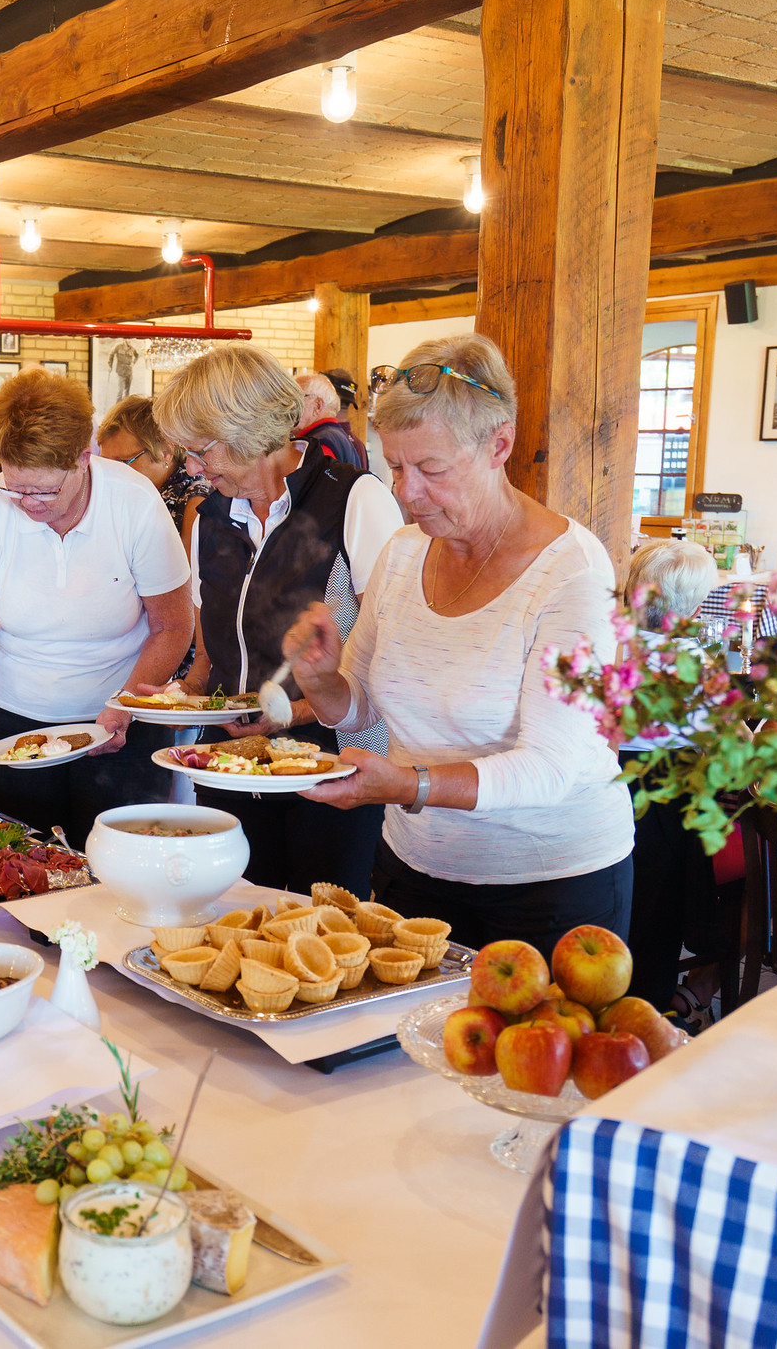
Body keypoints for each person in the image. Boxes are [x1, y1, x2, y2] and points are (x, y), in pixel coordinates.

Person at [284, 334, 635, 962]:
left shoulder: (571, 572)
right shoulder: (403, 553)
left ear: (498, 444)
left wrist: (406, 784)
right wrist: (321, 680)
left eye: (431, 470)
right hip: (413, 866)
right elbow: (360, 710)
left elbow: (551, 767)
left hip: (547, 884)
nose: (406, 492)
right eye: (395, 467)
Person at [131, 344, 403, 893]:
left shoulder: (352, 500)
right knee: (234, 916)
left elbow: (390, 653)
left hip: (330, 768)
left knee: (319, 931)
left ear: (248, 431)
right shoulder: (209, 517)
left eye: (199, 451)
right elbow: (213, 635)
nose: (191, 468)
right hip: (231, 762)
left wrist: (292, 713)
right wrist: (189, 690)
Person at [0, 368, 193, 846]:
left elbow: (172, 626)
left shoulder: (135, 503)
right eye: (15, 486)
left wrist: (124, 706)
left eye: (44, 490)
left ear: (84, 458)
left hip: (120, 715)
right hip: (13, 717)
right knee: (22, 862)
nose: (27, 503)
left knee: (112, 867)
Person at [618, 538, 724, 1009]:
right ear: (695, 607)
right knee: (657, 912)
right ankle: (655, 1005)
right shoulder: (693, 664)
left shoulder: (609, 646)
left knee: (619, 903)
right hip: (663, 795)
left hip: (604, 787)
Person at [97, 395, 209, 544]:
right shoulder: (118, 496)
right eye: (105, 464)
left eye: (123, 462)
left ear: (166, 453)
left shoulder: (194, 503)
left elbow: (187, 567)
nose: (110, 474)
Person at [293, 370, 368, 471]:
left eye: (296, 399)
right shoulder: (336, 436)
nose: (289, 407)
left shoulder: (320, 444)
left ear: (317, 405)